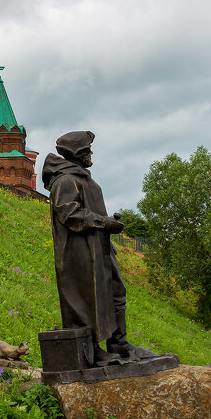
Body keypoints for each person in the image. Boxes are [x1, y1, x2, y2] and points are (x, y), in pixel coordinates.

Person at [42, 130, 135, 367]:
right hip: (78, 252)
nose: (91, 155)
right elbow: (68, 212)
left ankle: (119, 342)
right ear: (78, 153)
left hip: (99, 247)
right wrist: (104, 222)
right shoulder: (65, 180)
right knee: (85, 299)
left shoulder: (83, 178)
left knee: (115, 291)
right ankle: (90, 349)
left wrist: (105, 224)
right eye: (87, 151)